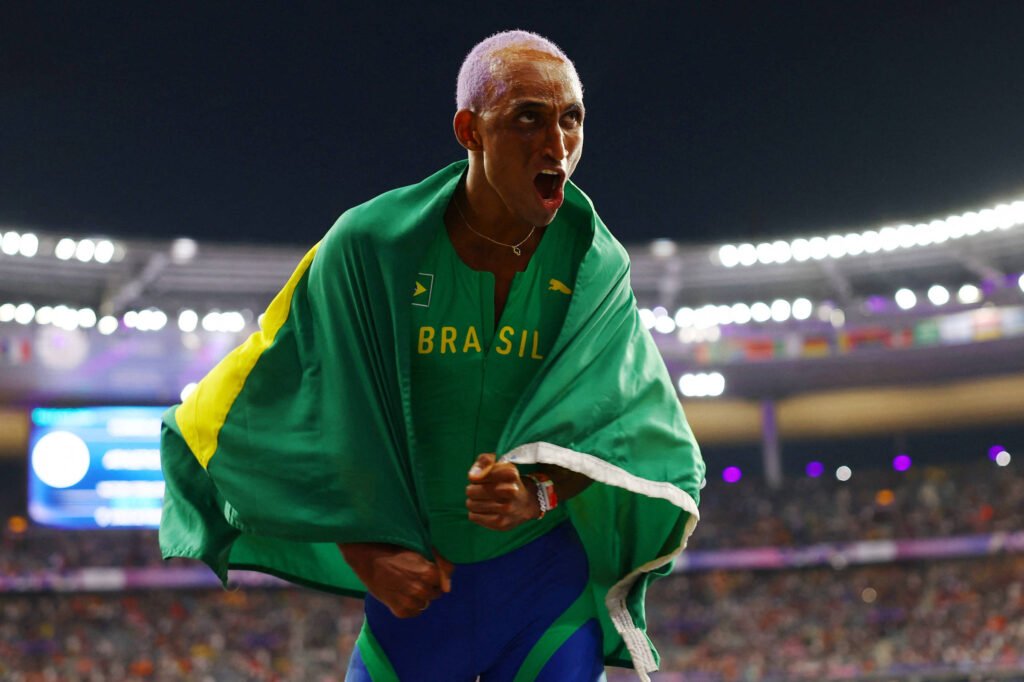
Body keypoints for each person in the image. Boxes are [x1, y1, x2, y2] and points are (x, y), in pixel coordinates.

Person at [159, 30, 704, 682]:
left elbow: (624, 431)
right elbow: (309, 410)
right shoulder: (370, 246)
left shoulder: (595, 262)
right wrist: (364, 551)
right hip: (416, 596)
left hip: (544, 591)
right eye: (528, 118)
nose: (557, 144)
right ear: (470, 130)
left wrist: (540, 493)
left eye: (571, 119)